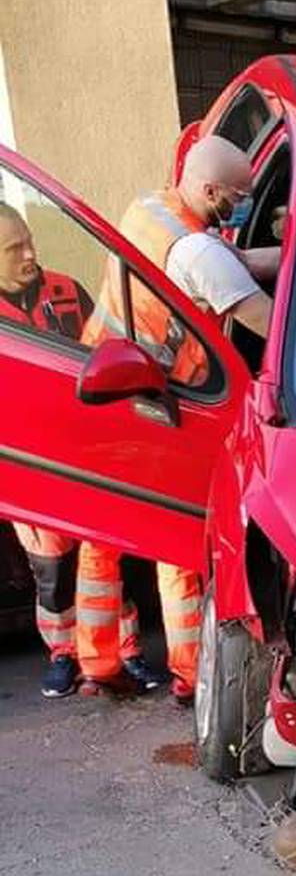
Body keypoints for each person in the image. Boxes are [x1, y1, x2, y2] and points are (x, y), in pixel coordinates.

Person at [76, 135, 279, 701]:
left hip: (101, 376)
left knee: (101, 536)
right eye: (238, 196)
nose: (244, 204)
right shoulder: (196, 253)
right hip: (155, 403)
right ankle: (191, 676)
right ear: (211, 190)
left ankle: (98, 664)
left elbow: (231, 259)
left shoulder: (151, 209)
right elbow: (268, 325)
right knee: (177, 540)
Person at [0, 202, 158, 697]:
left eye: (29, 241)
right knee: (51, 569)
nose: (30, 254)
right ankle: (63, 653)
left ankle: (125, 652)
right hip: (30, 462)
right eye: (13, 248)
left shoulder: (66, 291)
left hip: (88, 453)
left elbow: (108, 353)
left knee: (105, 559)